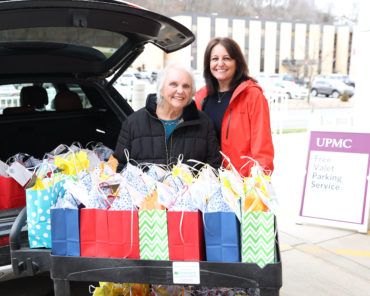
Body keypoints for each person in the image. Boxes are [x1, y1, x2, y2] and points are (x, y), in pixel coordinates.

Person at [114, 63, 222, 171]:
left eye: (186, 86)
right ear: (161, 89)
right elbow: (121, 167)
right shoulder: (133, 123)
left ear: (191, 92)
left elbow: (214, 166)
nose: (180, 91)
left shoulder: (204, 123)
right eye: (173, 84)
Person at [195, 37, 274, 176]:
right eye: (214, 59)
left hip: (241, 182)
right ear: (208, 63)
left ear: (237, 62)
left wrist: (258, 182)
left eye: (226, 58)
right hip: (207, 182)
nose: (220, 63)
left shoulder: (252, 95)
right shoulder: (202, 97)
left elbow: (262, 144)